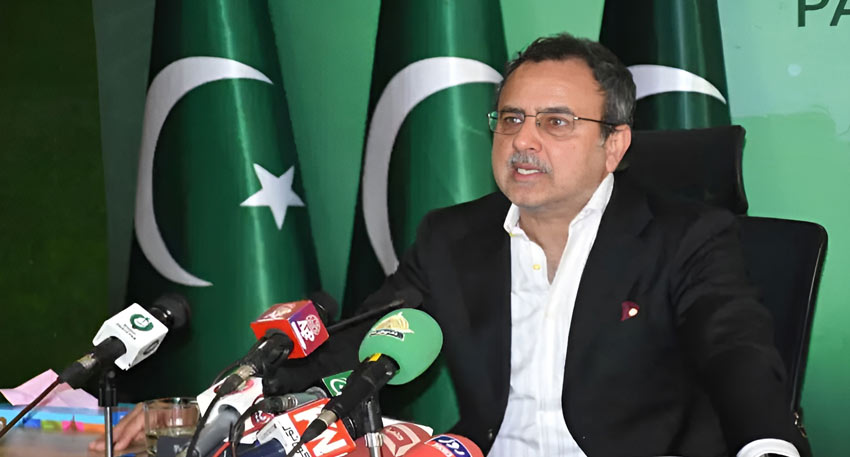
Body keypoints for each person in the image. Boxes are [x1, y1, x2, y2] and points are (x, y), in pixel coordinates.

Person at [93, 33, 810, 457]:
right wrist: (204, 405)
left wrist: (767, 446)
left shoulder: (686, 237)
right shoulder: (452, 236)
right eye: (511, 118)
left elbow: (736, 352)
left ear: (614, 143)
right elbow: (363, 346)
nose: (523, 140)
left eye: (556, 122)